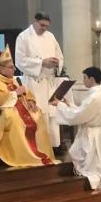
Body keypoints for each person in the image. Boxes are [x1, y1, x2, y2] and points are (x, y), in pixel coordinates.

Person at [0, 45, 56, 167]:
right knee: (16, 120)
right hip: (1, 112)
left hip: (17, 107)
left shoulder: (11, 79)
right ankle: (21, 156)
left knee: (37, 114)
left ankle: (40, 154)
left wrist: (30, 101)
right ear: (0, 68)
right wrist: (15, 94)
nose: (14, 69)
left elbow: (25, 93)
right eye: (11, 67)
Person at [15, 12, 64, 148]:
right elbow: (20, 61)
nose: (44, 28)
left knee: (51, 115)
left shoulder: (50, 36)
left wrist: (56, 62)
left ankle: (52, 147)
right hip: (33, 83)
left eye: (47, 26)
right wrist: (41, 62)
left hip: (48, 82)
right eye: (42, 25)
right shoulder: (23, 37)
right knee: (36, 115)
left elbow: (60, 55)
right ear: (35, 21)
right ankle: (36, 146)